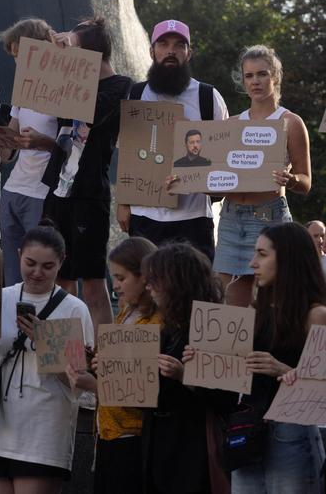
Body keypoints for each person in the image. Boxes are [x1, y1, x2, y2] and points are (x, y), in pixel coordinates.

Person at [0, 222, 95, 493]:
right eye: (30, 263)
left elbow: (77, 382)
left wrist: (43, 342)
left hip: (43, 435)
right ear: (18, 255)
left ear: (62, 262)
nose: (37, 272)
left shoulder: (75, 310)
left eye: (47, 266)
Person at [40, 17, 132, 330]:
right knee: (60, 279)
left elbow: (90, 112)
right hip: (58, 190)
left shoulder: (120, 86)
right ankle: (63, 358)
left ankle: (103, 359)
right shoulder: (68, 82)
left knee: (93, 283)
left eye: (72, 49)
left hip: (89, 194)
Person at [206, 45, 312, 307]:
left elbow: (306, 182)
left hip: (269, 218)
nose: (255, 81)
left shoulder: (291, 122)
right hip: (230, 220)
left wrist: (291, 180)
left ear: (274, 76)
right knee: (230, 307)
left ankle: (268, 350)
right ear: (243, 81)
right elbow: (215, 181)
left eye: (262, 74)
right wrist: (187, 181)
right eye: (249, 76)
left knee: (270, 304)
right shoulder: (230, 124)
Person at [116, 20, 229, 262]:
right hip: (144, 217)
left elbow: (223, 158)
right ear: (151, 51)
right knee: (147, 293)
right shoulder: (135, 94)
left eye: (179, 45)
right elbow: (127, 152)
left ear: (189, 53)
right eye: (163, 44)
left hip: (194, 218)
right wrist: (123, 204)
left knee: (194, 292)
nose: (171, 51)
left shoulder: (208, 97)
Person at [228, 222, 326, 492]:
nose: (252, 263)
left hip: (291, 433)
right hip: (248, 428)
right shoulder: (257, 310)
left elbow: (321, 388)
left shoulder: (316, 315)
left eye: (262, 254)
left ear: (287, 258)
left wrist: (282, 369)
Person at [140, 243, 235, 493]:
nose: (148, 287)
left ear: (176, 281)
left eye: (154, 280)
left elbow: (228, 398)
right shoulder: (167, 329)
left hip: (193, 450)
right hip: (159, 446)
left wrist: (185, 375)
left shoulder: (214, 327)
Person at [88, 237, 159, 493]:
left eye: (121, 278)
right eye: (113, 278)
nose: (115, 286)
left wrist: (95, 384)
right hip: (107, 432)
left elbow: (137, 388)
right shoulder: (126, 311)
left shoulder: (156, 323)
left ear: (145, 277)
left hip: (132, 436)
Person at [0, 17, 59, 285]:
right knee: (12, 271)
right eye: (15, 57)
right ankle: (13, 324)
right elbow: (9, 145)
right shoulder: (24, 87)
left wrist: (43, 142)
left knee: (42, 272)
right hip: (13, 189)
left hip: (44, 193)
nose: (18, 63)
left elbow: (77, 146)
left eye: (21, 55)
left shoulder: (67, 87)